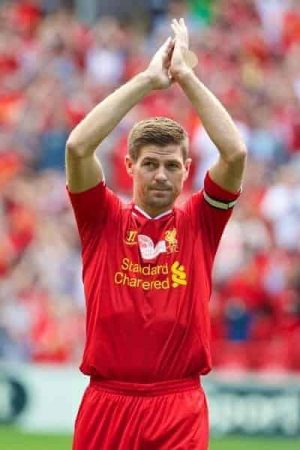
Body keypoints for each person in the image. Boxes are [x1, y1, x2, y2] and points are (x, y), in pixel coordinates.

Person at [66, 18, 246, 450]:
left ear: (188, 170)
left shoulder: (199, 222)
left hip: (177, 405)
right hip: (107, 401)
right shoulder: (102, 218)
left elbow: (235, 151)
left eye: (171, 165)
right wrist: (147, 81)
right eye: (150, 164)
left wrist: (186, 76)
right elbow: (77, 147)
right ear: (129, 167)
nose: (161, 175)